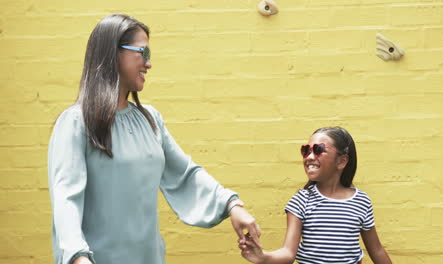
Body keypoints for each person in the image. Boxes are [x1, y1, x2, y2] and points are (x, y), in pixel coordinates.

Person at [47, 14, 260, 264]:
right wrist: (76, 256)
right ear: (113, 53)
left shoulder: (151, 120)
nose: (149, 64)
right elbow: (66, 199)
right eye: (143, 53)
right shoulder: (75, 123)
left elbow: (186, 174)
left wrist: (232, 204)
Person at [239, 127, 392, 264]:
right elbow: (288, 253)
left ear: (341, 161)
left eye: (318, 149)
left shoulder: (361, 201)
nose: (309, 157)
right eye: (306, 150)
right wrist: (263, 257)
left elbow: (376, 250)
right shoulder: (301, 201)